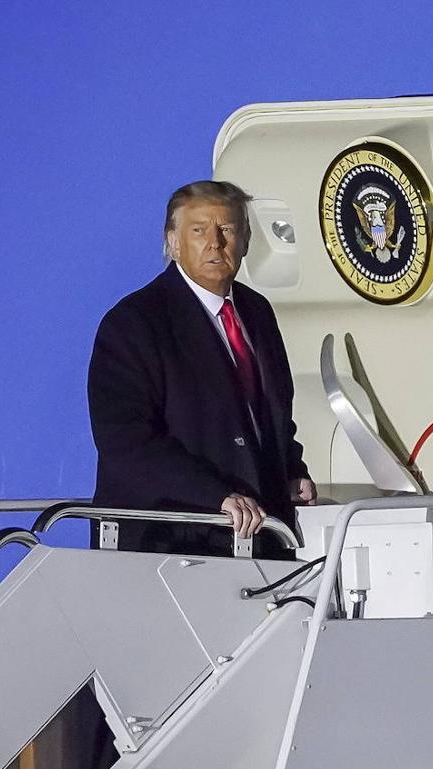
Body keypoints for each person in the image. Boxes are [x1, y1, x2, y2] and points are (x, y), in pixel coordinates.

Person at [88, 180, 316, 556]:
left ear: (245, 240)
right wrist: (216, 497)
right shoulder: (133, 323)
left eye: (226, 229)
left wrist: (292, 469)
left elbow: (271, 416)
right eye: (199, 230)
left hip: (262, 543)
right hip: (172, 546)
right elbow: (125, 442)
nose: (215, 242)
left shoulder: (257, 313)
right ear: (173, 242)